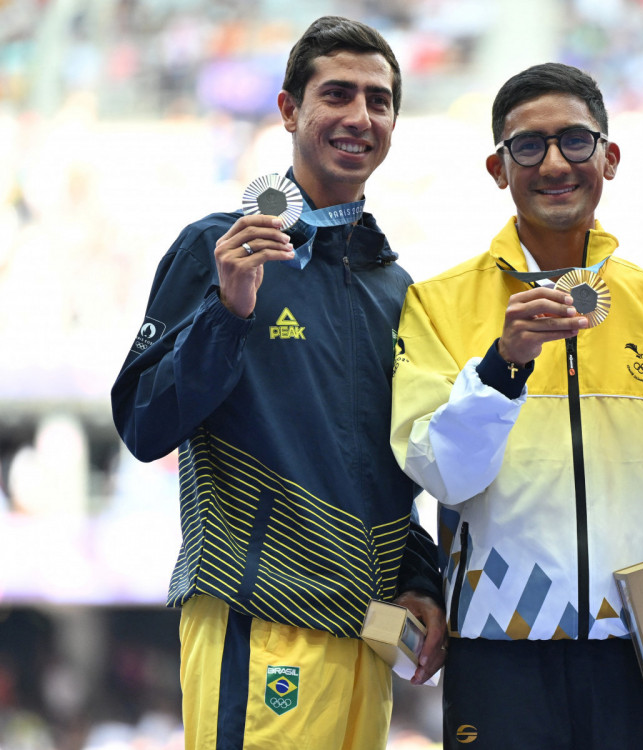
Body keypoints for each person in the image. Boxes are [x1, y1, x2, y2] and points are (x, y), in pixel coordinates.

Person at [389, 62, 643, 749]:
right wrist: (502, 366)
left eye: (575, 141)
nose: (554, 162)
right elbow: (442, 475)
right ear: (498, 168)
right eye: (529, 146)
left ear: (609, 157)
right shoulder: (435, 305)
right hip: (499, 648)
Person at [111, 16, 445, 749]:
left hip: (367, 632)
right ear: (290, 110)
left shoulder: (394, 284)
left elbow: (390, 463)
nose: (361, 116)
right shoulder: (216, 246)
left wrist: (420, 573)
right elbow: (142, 425)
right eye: (338, 95)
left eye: (380, 100)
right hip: (260, 618)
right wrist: (227, 314)